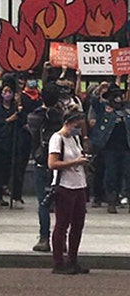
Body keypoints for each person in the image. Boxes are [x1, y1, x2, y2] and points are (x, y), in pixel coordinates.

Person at [48, 109, 91, 275]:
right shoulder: (57, 139)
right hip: (65, 186)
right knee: (62, 225)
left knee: (78, 224)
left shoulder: (74, 138)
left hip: (79, 185)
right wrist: (75, 162)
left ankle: (73, 259)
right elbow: (52, 163)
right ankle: (58, 262)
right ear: (69, 122)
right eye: (77, 125)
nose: (79, 129)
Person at [28, 83, 65, 251]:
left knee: (43, 202)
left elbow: (31, 130)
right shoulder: (63, 116)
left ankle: (44, 237)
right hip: (60, 162)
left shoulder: (36, 116)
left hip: (42, 161)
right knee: (62, 202)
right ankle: (61, 238)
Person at [89, 84, 130, 214]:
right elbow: (93, 100)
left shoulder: (127, 110)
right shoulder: (103, 109)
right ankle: (111, 200)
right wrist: (99, 88)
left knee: (127, 174)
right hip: (109, 148)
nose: (118, 98)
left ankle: (125, 197)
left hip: (126, 148)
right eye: (115, 95)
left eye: (119, 95)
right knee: (110, 174)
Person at [0, 75, 26, 209]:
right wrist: (8, 120)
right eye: (5, 92)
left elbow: (23, 122)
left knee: (16, 170)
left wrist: (19, 108)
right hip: (0, 144)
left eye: (9, 92)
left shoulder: (16, 108)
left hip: (14, 143)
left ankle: (16, 196)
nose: (7, 94)